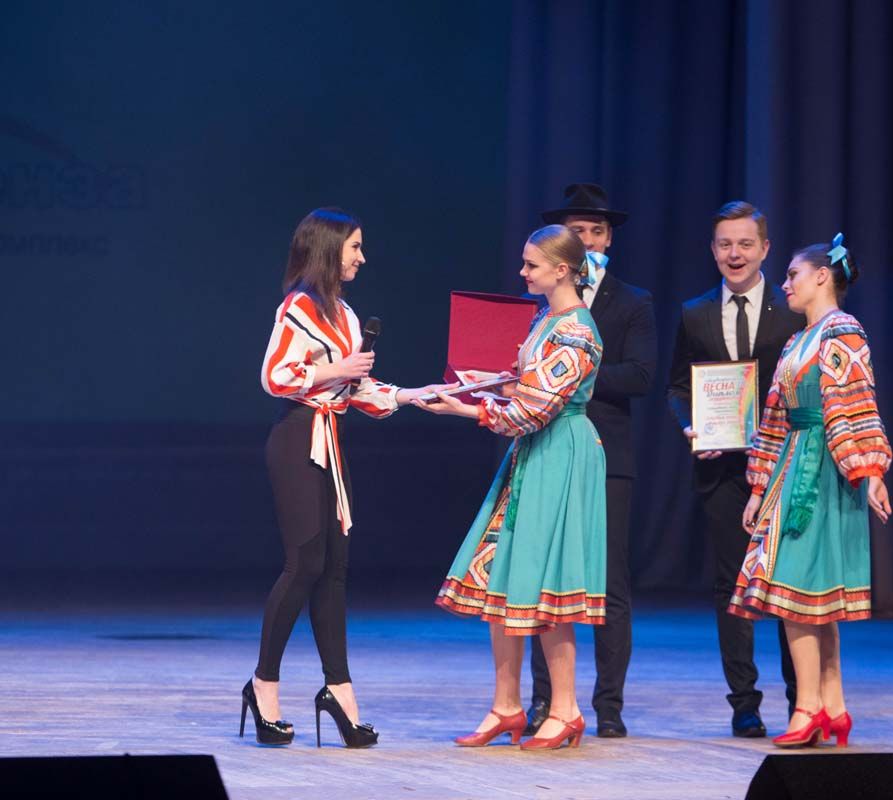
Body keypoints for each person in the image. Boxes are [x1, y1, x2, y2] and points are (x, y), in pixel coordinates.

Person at [243, 207, 448, 748]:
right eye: (355, 246)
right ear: (329, 248)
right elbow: (275, 376)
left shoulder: (348, 315)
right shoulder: (298, 306)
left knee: (334, 568)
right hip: (297, 437)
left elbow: (358, 391)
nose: (362, 256)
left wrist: (412, 395)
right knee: (305, 563)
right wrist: (338, 370)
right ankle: (263, 686)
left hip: (329, 438)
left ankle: (339, 691)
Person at [417, 224, 606, 752]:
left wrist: (466, 409)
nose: (522, 272)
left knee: (548, 578)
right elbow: (523, 388)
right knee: (503, 570)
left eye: (532, 265)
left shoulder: (577, 330)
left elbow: (532, 410)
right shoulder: (547, 319)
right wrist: (477, 386)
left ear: (562, 270)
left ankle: (566, 709)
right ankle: (506, 705)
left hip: (559, 450)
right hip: (534, 452)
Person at [728, 233, 892, 748]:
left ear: (822, 277)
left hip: (823, 470)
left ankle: (809, 706)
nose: (785, 284)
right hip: (793, 465)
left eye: (792, 275)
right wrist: (759, 486)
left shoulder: (843, 332)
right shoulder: (799, 340)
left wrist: (870, 470)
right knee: (811, 596)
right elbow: (775, 418)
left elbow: (856, 403)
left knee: (797, 593)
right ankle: (834, 707)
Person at [523, 183, 656, 739]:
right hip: (548, 449)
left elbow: (641, 375)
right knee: (542, 574)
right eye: (576, 231)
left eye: (595, 232)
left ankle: (608, 705)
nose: (586, 240)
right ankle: (545, 700)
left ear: (608, 240)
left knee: (608, 580)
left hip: (606, 452)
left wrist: (573, 371)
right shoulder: (541, 303)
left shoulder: (631, 301)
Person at [667, 201, 801, 737]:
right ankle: (744, 703)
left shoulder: (793, 309)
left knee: (789, 584)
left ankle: (802, 699)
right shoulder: (694, 312)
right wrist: (690, 426)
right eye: (725, 244)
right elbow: (679, 386)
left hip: (787, 468)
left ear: (765, 249)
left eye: (745, 243)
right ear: (713, 250)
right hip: (721, 470)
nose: (735, 253)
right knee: (731, 587)